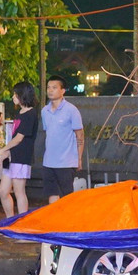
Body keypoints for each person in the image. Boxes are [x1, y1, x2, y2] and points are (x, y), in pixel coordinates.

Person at [0, 81, 38, 217]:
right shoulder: (20, 113)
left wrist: (3, 149)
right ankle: (11, 219)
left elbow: (19, 138)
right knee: (3, 191)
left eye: (15, 94)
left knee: (19, 191)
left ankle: (22, 223)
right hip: (13, 157)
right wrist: (7, 151)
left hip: (22, 157)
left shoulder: (30, 114)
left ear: (22, 95)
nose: (13, 97)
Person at [40, 76, 84, 204]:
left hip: (66, 162)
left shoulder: (71, 110)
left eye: (54, 87)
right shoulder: (44, 111)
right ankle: (55, 217)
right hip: (48, 162)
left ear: (63, 90)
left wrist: (79, 158)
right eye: (48, 87)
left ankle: (69, 217)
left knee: (67, 197)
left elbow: (80, 135)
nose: (50, 90)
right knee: (52, 194)